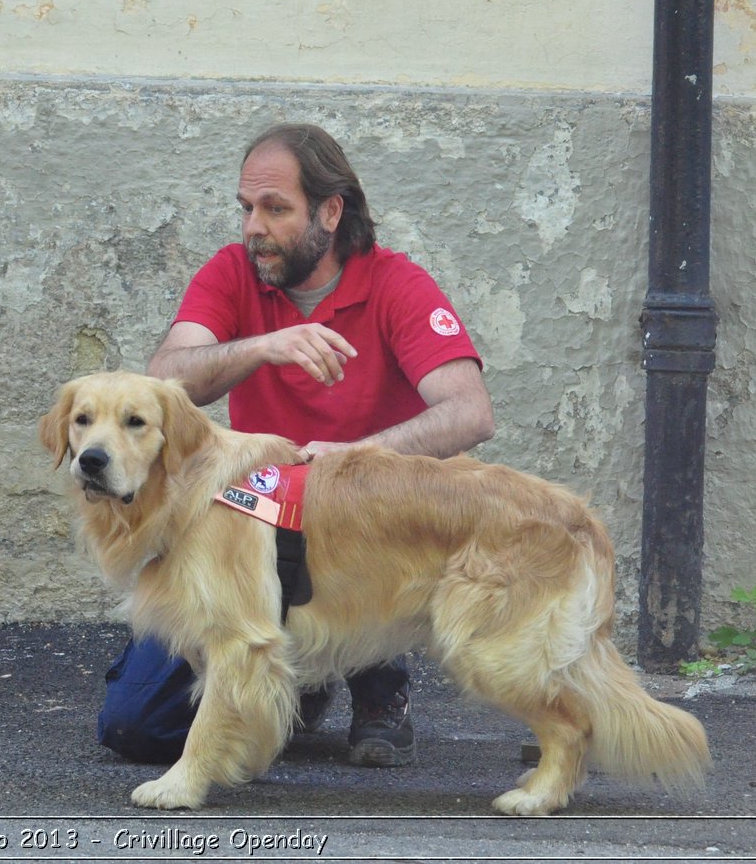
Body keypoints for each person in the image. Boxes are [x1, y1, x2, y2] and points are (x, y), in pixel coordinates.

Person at [100, 122, 494, 766]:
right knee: (134, 726)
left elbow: (471, 413)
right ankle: (300, 673)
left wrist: (358, 458)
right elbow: (163, 380)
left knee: (355, 536)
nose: (254, 226)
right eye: (247, 208)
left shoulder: (395, 282)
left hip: (362, 532)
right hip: (253, 534)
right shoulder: (234, 272)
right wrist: (263, 345)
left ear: (330, 212)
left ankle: (374, 672)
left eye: (275, 209)